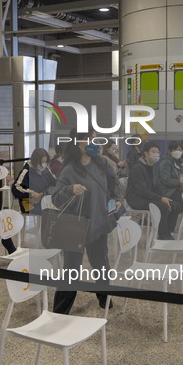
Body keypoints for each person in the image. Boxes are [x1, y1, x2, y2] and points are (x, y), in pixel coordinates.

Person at [51, 128, 123, 314]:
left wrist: (116, 199)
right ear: (77, 143)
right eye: (88, 139)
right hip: (75, 226)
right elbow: (56, 198)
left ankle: (104, 298)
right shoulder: (69, 169)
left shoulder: (101, 163)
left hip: (98, 222)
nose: (93, 142)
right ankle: (60, 311)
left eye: (94, 138)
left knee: (101, 264)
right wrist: (70, 189)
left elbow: (114, 182)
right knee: (71, 270)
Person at [126, 142, 181, 240]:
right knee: (163, 207)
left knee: (174, 205)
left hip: (148, 197)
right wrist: (160, 198)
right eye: (153, 152)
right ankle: (162, 234)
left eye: (158, 152)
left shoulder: (154, 168)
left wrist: (164, 197)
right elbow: (141, 190)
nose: (156, 154)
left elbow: (156, 186)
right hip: (136, 199)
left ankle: (169, 231)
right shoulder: (137, 169)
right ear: (146, 153)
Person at [12, 148, 56, 214]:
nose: (43, 164)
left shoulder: (46, 170)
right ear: (35, 162)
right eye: (41, 162)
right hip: (29, 203)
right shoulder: (26, 171)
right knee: (43, 213)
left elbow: (55, 184)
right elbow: (16, 188)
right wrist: (32, 194)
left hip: (44, 201)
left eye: (45, 162)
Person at [158, 141, 183, 220]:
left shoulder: (180, 162)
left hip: (178, 188)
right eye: (176, 150)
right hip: (168, 191)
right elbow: (165, 180)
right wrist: (179, 182)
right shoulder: (166, 163)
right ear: (170, 151)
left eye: (180, 150)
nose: (178, 152)